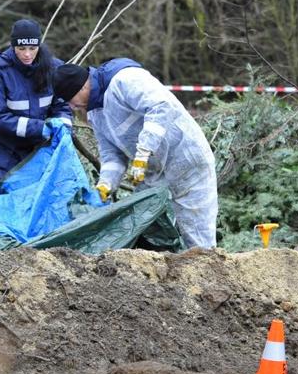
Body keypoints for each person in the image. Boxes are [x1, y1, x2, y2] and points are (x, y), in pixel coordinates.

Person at [52, 58, 218, 249]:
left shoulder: (125, 79)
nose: (72, 108)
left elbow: (161, 106)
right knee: (146, 224)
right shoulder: (95, 114)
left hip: (187, 159)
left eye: (70, 101)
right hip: (155, 171)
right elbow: (112, 155)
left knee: (197, 233)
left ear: (81, 87)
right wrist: (106, 184)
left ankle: (208, 272)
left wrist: (143, 152)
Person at [0, 19, 73, 196]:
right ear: (13, 47)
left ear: (39, 45)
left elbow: (62, 105)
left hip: (35, 152)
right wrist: (40, 128)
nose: (27, 54)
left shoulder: (54, 69)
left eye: (32, 49)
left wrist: (64, 125)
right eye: (21, 49)